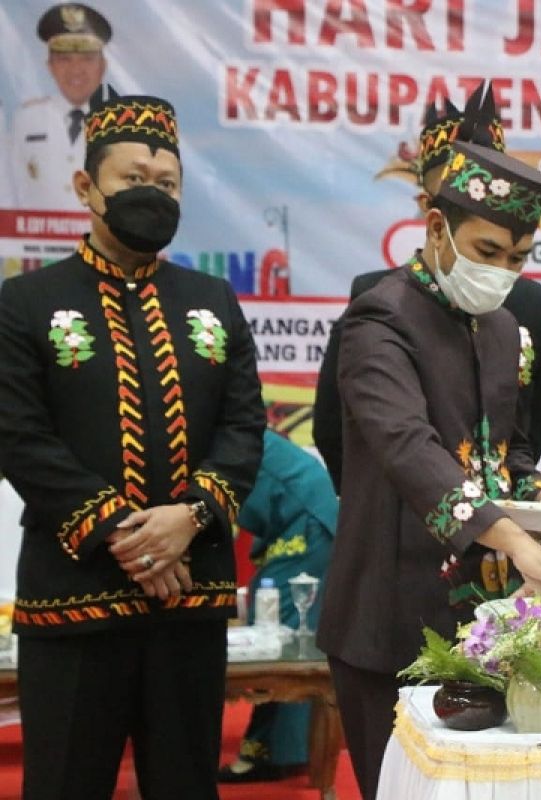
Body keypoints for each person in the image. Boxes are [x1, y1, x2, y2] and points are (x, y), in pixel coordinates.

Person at [0, 88, 265, 799]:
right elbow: (19, 439)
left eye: (167, 184)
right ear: (87, 185)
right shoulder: (24, 304)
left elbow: (245, 430)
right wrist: (130, 538)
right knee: (62, 784)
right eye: (132, 180)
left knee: (185, 786)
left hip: (192, 596)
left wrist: (191, 518)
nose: (152, 194)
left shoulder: (213, 301)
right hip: (74, 596)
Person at [316, 138, 541, 799]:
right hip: (388, 623)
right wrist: (519, 540)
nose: (501, 272)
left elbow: (507, 451)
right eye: (487, 252)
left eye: (518, 258)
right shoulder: (379, 319)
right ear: (437, 227)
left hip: (483, 621)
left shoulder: (501, 328)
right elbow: (410, 449)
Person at [313, 82, 541, 487]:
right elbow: (336, 427)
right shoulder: (378, 304)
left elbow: (523, 434)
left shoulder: (523, 311)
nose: (500, 268)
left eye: (515, 257)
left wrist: (526, 493)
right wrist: (369, 503)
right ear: (431, 213)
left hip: (495, 532)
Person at [219, 429, 338, 784]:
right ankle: (271, 750)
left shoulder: (212, 430)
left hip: (306, 520)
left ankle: (280, 753)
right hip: (295, 516)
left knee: (282, 637)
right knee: (269, 620)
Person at [10, 3, 110, 211]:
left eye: (87, 59)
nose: (76, 70)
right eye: (64, 59)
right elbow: (8, 192)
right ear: (50, 66)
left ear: (102, 66)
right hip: (36, 242)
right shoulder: (26, 120)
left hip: (101, 243)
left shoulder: (126, 125)